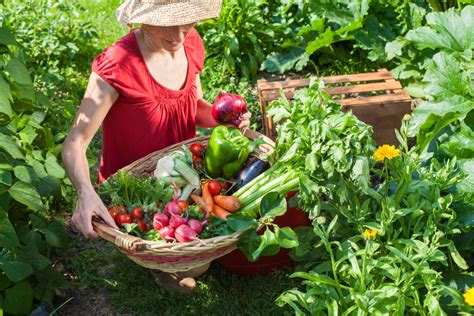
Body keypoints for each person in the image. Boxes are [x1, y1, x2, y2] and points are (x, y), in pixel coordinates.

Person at [61, 0, 251, 293]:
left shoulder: (190, 43)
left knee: (205, 251)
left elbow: (192, 107)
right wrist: (84, 193)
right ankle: (156, 261)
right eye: (167, 24)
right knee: (196, 264)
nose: (178, 35)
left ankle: (167, 253)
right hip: (136, 186)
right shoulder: (119, 64)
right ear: (143, 19)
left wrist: (223, 120)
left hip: (182, 172)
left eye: (186, 22)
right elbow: (75, 142)